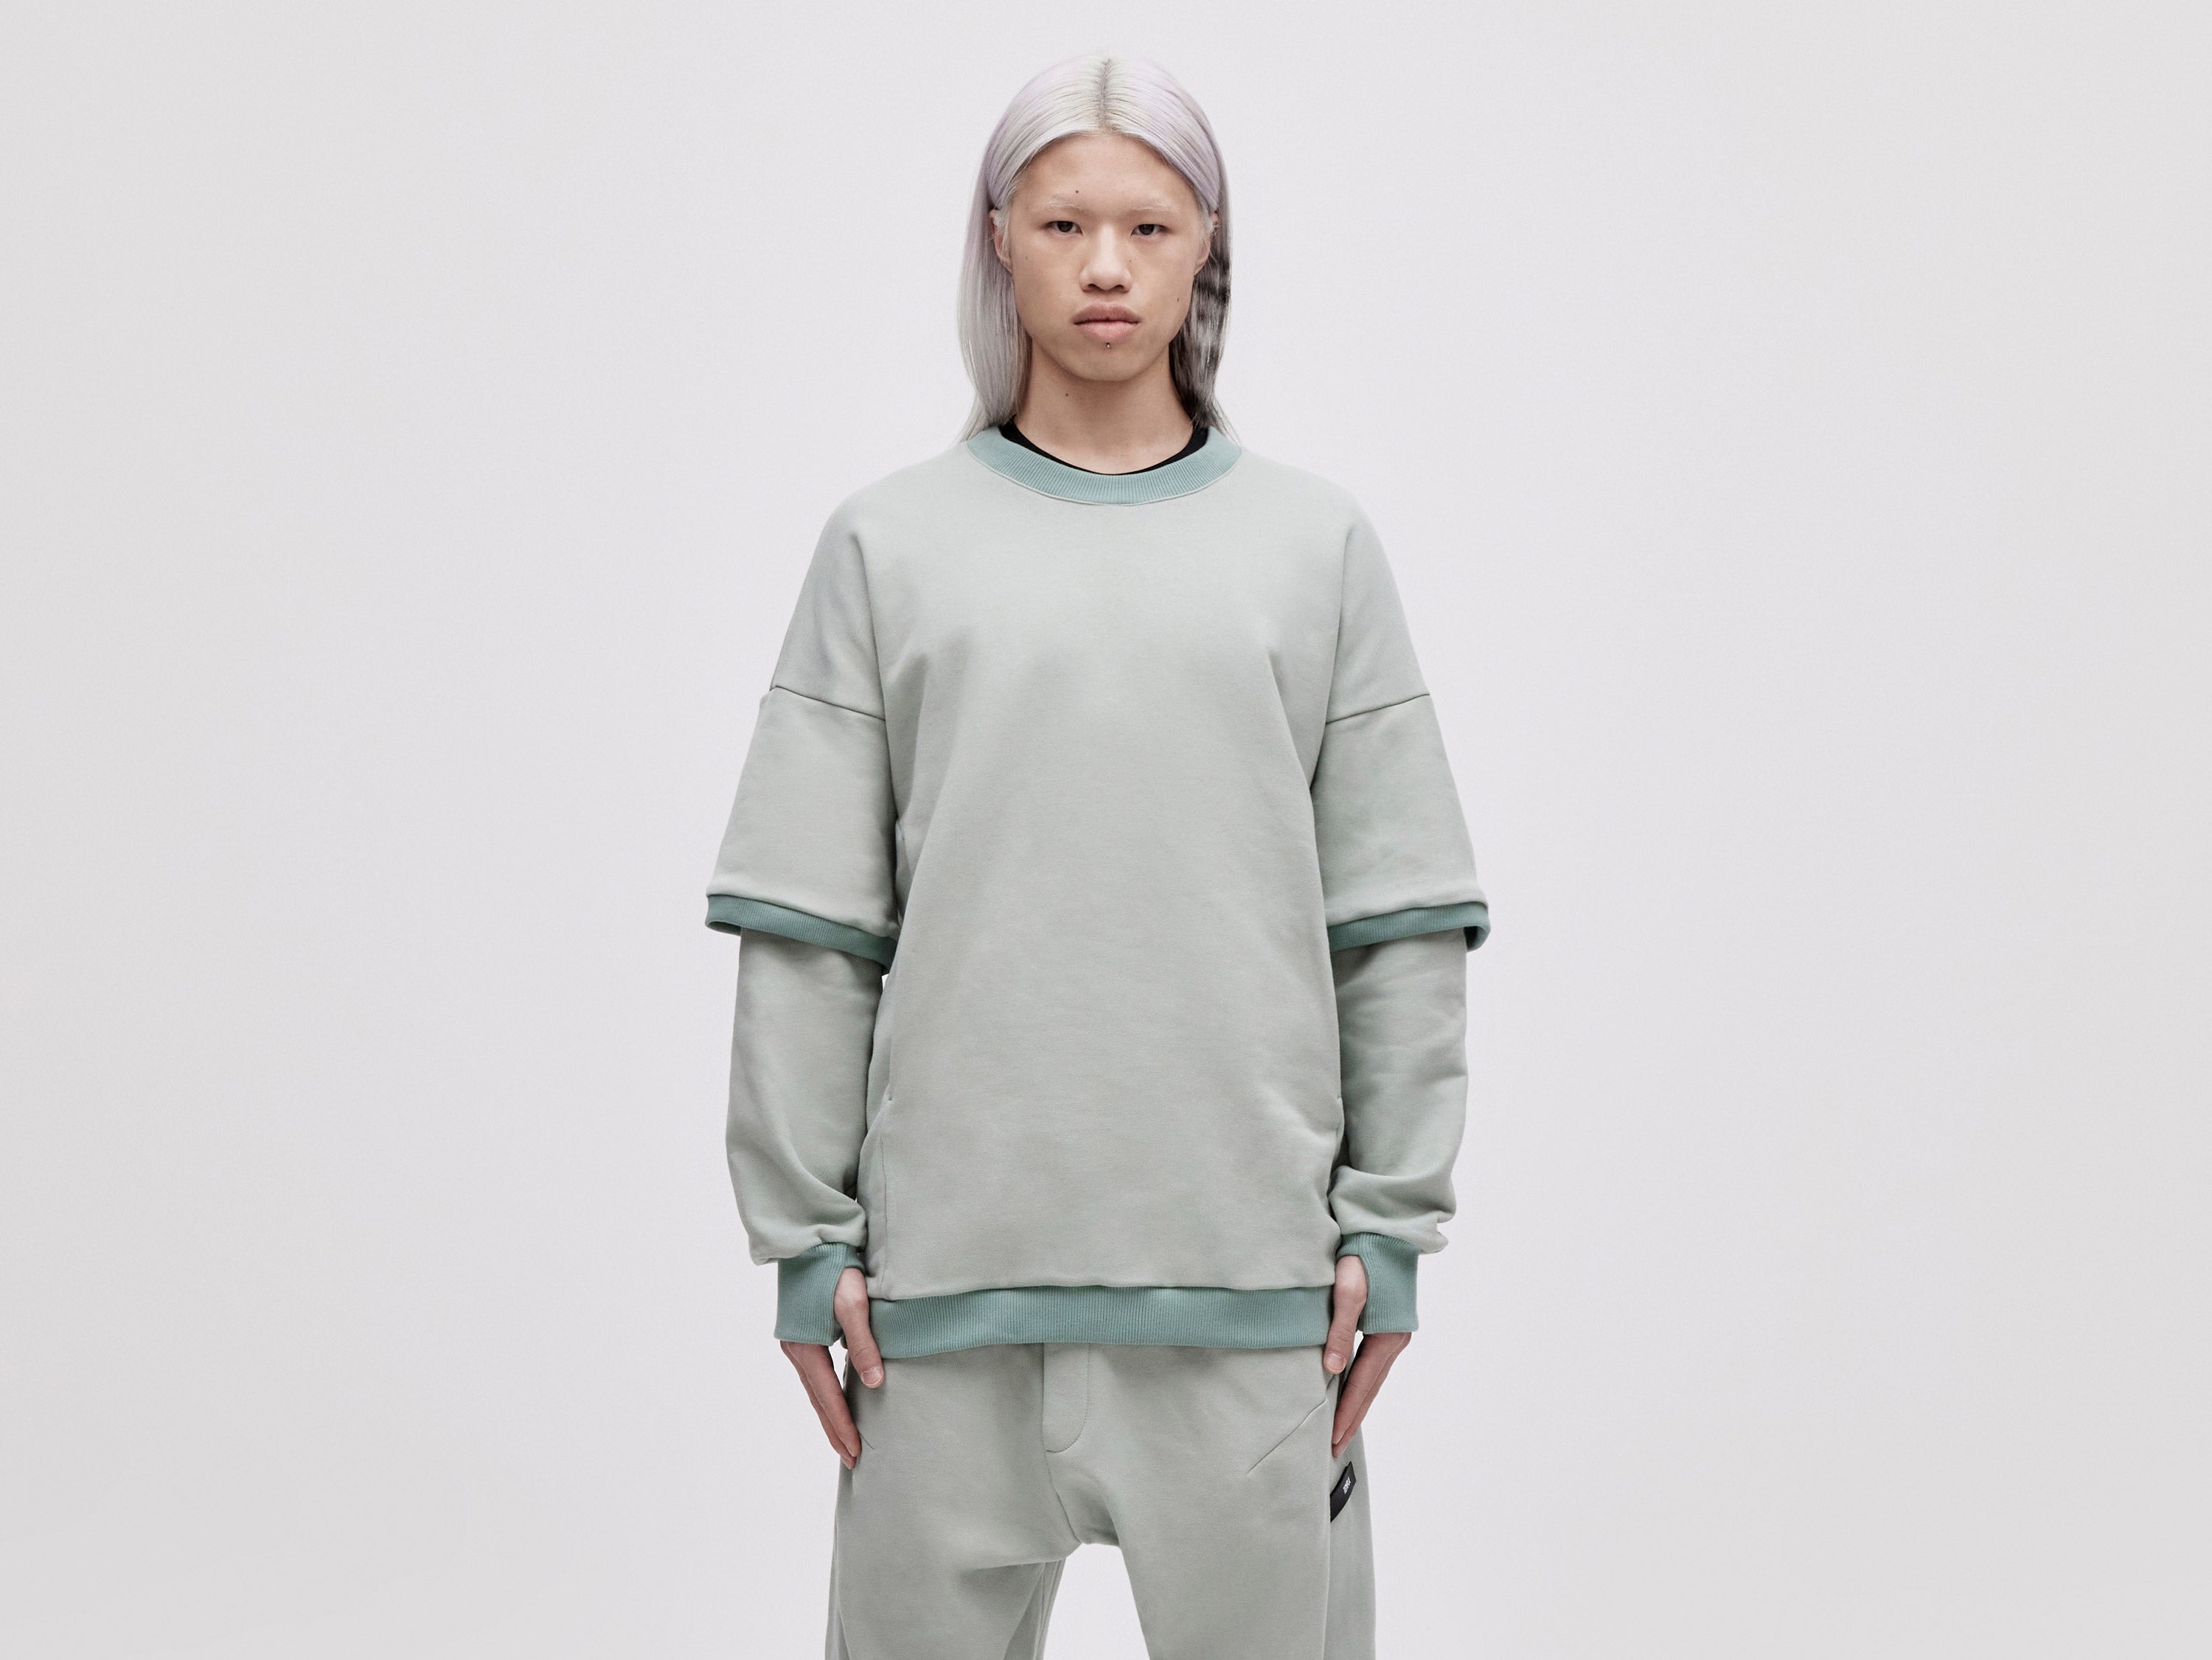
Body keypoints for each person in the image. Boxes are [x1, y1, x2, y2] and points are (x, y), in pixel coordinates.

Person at [705, 51, 1488, 1660]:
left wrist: (1392, 1228)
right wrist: (803, 1241)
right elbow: (812, 926)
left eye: (1151, 224)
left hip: (1256, 1304)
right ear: (1000, 239)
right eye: (1065, 224)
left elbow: (1396, 917)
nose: (1108, 265)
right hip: (940, 1313)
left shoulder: (1317, 547)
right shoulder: (886, 546)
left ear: (1211, 242)